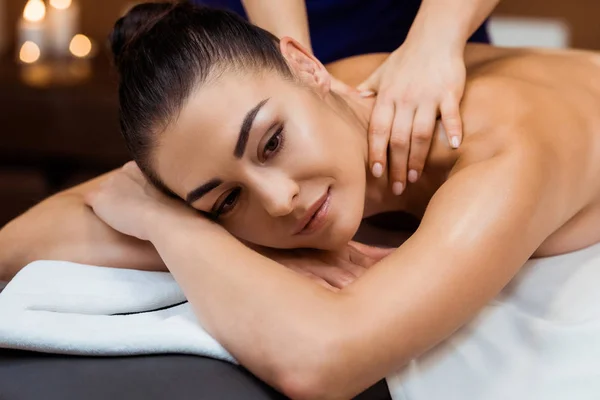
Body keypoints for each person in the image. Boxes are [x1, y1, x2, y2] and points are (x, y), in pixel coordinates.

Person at [2, 2, 600, 398]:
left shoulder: (506, 152)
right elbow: (52, 224)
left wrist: (169, 223)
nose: (281, 200)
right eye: (226, 201)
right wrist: (161, 209)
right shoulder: (307, 98)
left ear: (307, 67)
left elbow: (322, 361)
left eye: (273, 142)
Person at [196, 0, 499, 195]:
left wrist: (434, 41)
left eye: (273, 143)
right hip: (243, 59)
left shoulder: (491, 152)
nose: (280, 203)